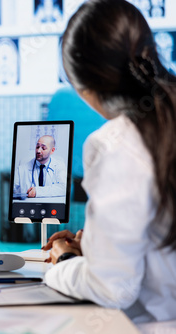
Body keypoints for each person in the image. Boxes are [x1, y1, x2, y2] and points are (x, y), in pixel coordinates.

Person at [43, 0, 176, 324]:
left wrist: (65, 261)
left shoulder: (116, 145)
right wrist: (99, 244)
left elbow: (112, 288)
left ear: (82, 87)